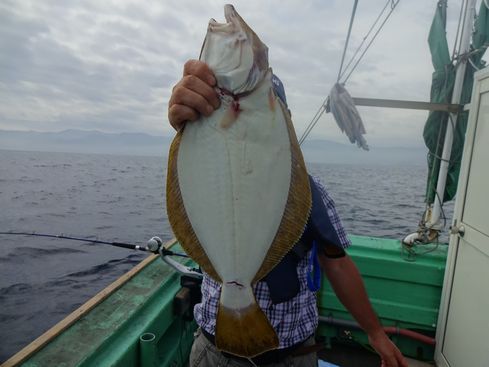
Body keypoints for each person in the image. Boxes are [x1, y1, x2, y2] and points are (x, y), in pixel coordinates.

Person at [168, 60, 408, 367]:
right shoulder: (209, 174)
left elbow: (337, 264)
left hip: (294, 354)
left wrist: (376, 334)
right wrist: (190, 126)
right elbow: (192, 165)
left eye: (267, 112)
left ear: (287, 122)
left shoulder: (310, 192)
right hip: (216, 351)